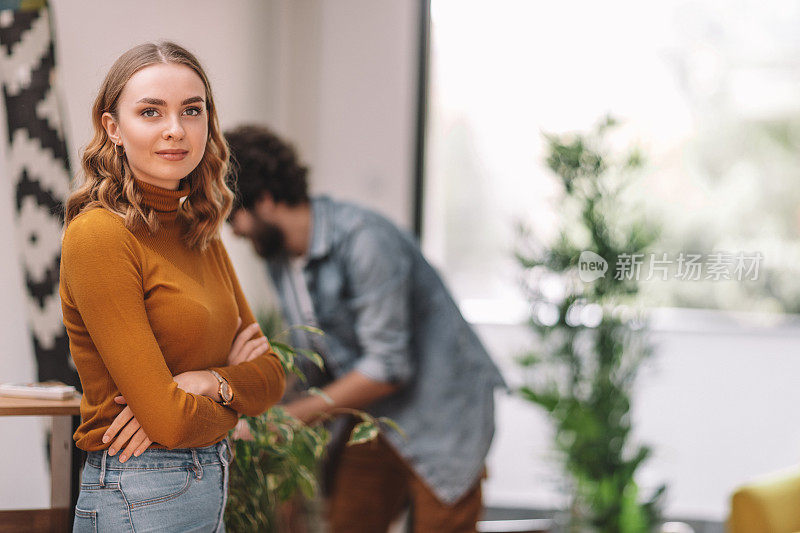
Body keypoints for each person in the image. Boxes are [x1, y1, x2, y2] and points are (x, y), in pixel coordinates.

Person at [225, 124, 507, 533]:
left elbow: (387, 367)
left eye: (234, 215)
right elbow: (313, 357)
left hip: (442, 415)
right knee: (349, 521)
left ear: (265, 201)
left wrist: (283, 421)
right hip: (372, 417)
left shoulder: (364, 240)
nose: (233, 230)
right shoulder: (279, 259)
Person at [60, 43, 285, 532]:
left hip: (206, 486)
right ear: (112, 128)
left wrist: (209, 382)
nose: (175, 129)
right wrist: (234, 395)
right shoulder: (100, 235)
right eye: (150, 111)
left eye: (191, 110)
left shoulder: (199, 229)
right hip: (138, 491)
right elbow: (169, 421)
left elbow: (273, 375)